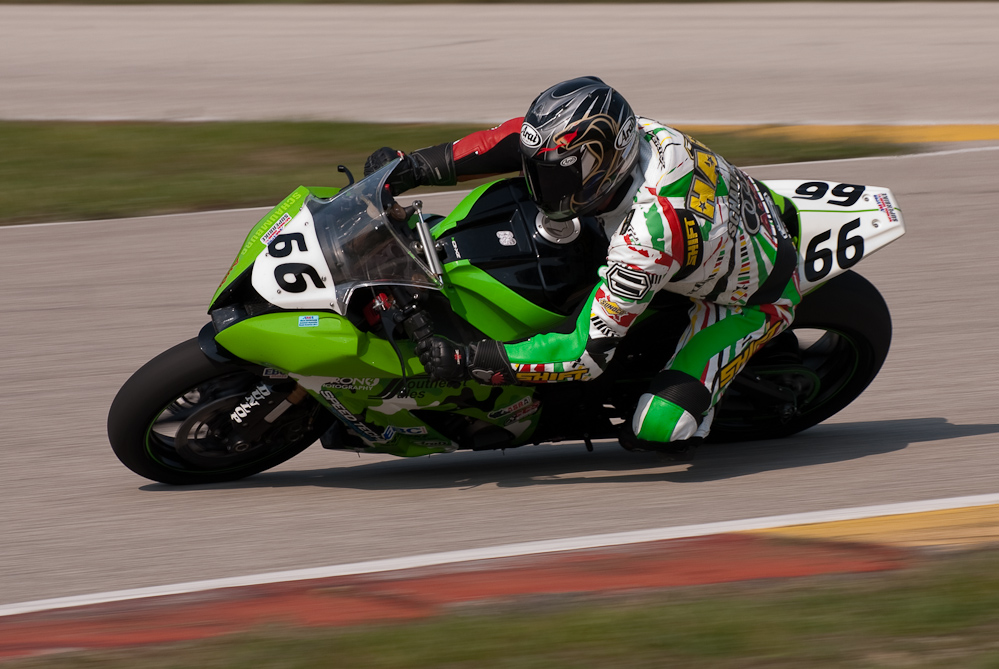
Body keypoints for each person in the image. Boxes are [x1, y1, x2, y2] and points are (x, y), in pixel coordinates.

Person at [363, 76, 800, 456]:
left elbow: (583, 355)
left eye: (557, 177)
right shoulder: (626, 135)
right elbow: (512, 140)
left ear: (606, 167)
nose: (540, 186)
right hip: (720, 225)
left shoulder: (647, 237)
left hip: (748, 297)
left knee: (658, 429)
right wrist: (412, 166)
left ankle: (696, 406)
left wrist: (471, 358)